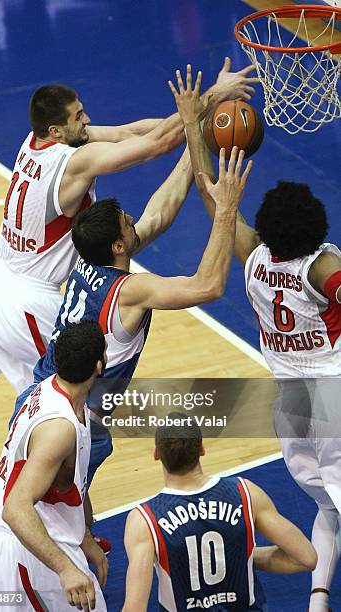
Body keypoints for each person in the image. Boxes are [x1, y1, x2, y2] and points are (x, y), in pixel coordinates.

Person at [0, 58, 258, 411]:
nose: (86, 120)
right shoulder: (73, 163)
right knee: (58, 407)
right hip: (21, 301)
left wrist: (201, 123)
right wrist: (211, 99)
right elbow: (158, 143)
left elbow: (130, 133)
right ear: (57, 130)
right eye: (78, 116)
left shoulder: (37, 141)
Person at [11, 66, 254, 496]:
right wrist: (228, 206)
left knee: (48, 496)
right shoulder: (132, 291)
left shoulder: (87, 260)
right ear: (121, 247)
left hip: (39, 390)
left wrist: (198, 140)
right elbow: (209, 285)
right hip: (77, 415)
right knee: (44, 506)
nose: (134, 225)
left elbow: (160, 212)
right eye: (128, 224)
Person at [173, 69, 341, 612]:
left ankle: (316, 601)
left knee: (330, 510)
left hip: (290, 408)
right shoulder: (323, 268)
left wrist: (195, 124)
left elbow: (213, 197)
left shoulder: (254, 257)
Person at [122, 413, 317, 611]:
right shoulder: (245, 492)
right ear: (201, 449)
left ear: (157, 454)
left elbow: (134, 608)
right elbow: (306, 558)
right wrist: (240, 557)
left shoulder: (144, 519)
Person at [0, 320, 108, 612]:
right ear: (99, 365)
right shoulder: (58, 427)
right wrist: (66, 569)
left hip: (21, 540)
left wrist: (85, 539)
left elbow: (69, 486)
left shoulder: (53, 390)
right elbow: (15, 508)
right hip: (26, 548)